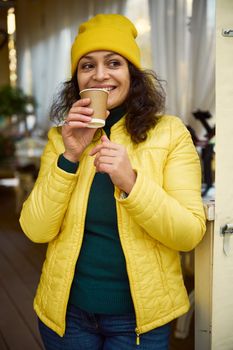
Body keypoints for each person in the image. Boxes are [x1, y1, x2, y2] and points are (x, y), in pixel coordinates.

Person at [19, 13, 206, 350]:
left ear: (132, 74)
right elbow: (35, 230)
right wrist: (70, 158)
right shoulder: (61, 138)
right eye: (87, 65)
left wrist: (132, 182)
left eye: (114, 62)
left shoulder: (171, 133)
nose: (100, 74)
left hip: (139, 321)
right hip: (67, 317)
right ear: (77, 79)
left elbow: (188, 234)